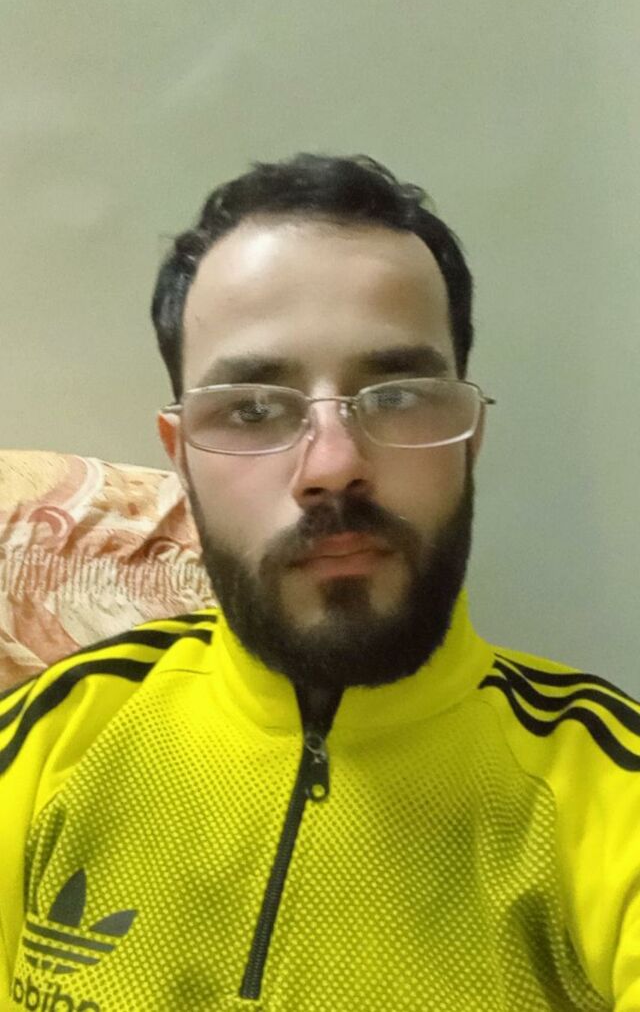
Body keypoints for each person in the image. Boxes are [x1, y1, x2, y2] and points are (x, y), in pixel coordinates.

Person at [0, 154, 638, 1012]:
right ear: (182, 455)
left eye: (399, 396)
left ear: (470, 437)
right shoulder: (52, 737)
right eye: (253, 409)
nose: (334, 466)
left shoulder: (608, 790)